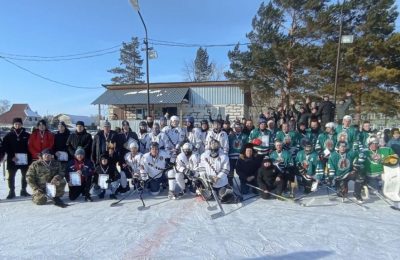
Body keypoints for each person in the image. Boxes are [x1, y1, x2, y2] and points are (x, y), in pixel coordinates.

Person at [3, 117, 31, 199]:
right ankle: (11, 191)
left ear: (22, 124)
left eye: (19, 124)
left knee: (25, 176)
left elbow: (30, 147)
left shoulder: (27, 135)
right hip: (12, 160)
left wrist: (29, 157)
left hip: (24, 159)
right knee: (11, 176)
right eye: (16, 124)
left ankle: (23, 190)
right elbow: (5, 147)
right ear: (13, 125)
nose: (17, 125)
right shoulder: (8, 135)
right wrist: (12, 156)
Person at [228, 122, 248, 186]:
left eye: (239, 127)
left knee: (241, 171)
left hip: (240, 157)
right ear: (234, 128)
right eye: (236, 127)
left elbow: (247, 146)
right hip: (231, 157)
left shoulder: (245, 136)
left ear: (241, 128)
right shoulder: (230, 136)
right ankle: (230, 184)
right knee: (230, 171)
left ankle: (243, 184)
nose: (237, 128)